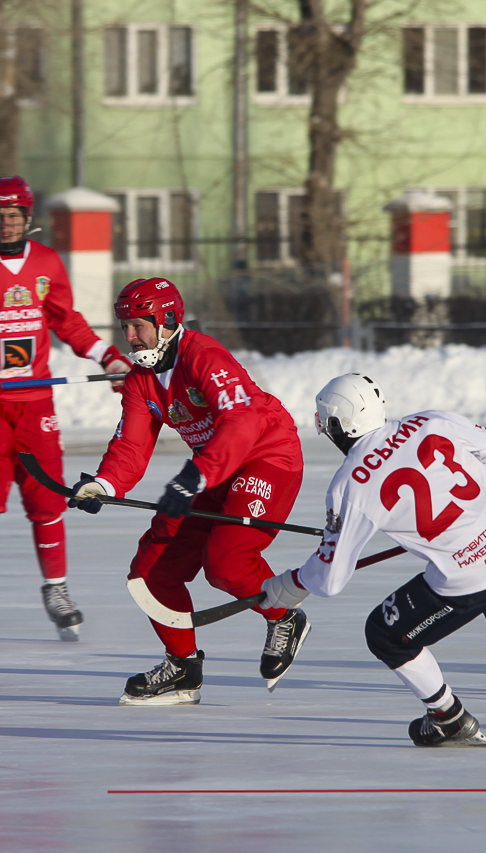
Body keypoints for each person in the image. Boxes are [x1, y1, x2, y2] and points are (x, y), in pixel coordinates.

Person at [258, 373, 486, 747]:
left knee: (385, 634)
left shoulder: (351, 483)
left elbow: (330, 578)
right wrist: (475, 513)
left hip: (468, 575)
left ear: (338, 425)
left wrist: (287, 586)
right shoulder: (431, 420)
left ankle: (448, 720)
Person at [67, 277, 310, 705]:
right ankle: (182, 668)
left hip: (266, 457)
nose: (129, 336)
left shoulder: (205, 357)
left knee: (226, 563)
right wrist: (103, 484)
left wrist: (195, 477)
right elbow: (131, 444)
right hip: (211, 467)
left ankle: (283, 614)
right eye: (124, 326)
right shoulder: (142, 379)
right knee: (150, 570)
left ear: (168, 321)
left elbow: (243, 423)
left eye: (138, 326)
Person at [0, 175, 133, 644]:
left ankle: (56, 589)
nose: (7, 223)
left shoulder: (46, 263)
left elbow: (68, 321)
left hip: (35, 403)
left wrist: (109, 358)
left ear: (28, 218)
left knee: (47, 498)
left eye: (15, 216)